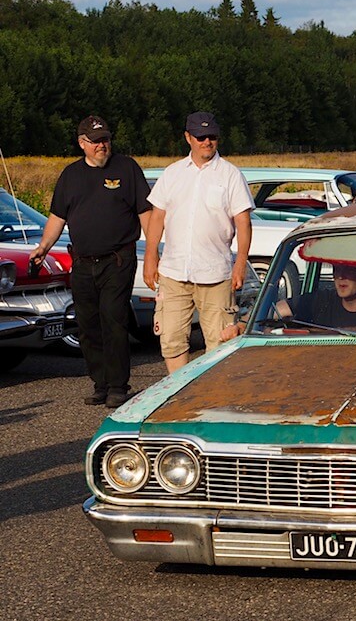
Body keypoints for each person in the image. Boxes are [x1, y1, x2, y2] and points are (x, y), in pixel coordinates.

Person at [30, 115, 151, 408]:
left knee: (114, 319)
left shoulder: (126, 168)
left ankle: (118, 386)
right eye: (96, 141)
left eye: (105, 139)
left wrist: (156, 253)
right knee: (87, 325)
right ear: (82, 143)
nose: (102, 145)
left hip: (118, 260)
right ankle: (101, 383)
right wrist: (44, 246)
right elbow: (58, 217)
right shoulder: (70, 176)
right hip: (82, 263)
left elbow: (146, 212)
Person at [144, 111, 253, 374]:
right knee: (171, 339)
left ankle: (211, 402)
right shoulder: (172, 173)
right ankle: (178, 396)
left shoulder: (230, 175)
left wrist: (240, 265)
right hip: (173, 272)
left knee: (220, 342)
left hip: (215, 273)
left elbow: (243, 223)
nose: (207, 142)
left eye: (212, 136)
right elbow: (157, 216)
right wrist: (150, 257)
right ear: (188, 137)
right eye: (201, 136)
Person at [276, 263, 356, 327]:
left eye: (350, 270)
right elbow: (275, 311)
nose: (341, 276)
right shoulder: (321, 301)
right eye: (337, 269)